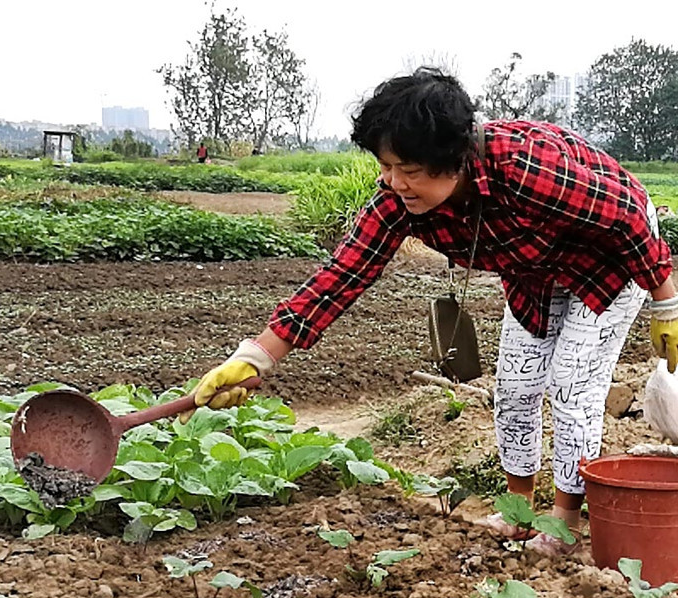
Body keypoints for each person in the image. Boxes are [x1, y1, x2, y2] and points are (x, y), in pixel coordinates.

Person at [181, 68, 678, 555]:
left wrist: (666, 302)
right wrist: (256, 357)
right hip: (534, 273)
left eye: (410, 170)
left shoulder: (524, 166)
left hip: (607, 260)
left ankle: (564, 524)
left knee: (571, 387)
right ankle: (518, 510)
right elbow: (343, 274)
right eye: (386, 167)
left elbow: (628, 218)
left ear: (454, 159)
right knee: (515, 388)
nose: (395, 183)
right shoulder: (397, 200)